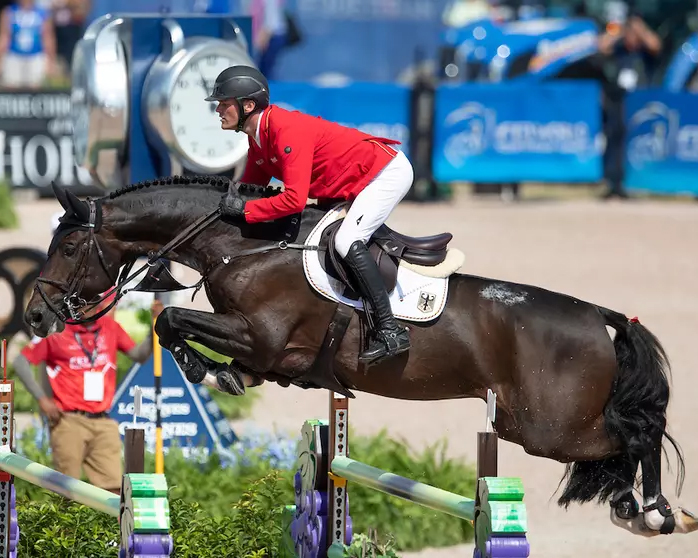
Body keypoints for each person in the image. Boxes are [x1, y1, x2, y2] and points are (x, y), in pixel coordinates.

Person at [206, 65, 413, 366]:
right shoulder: (258, 139)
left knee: (346, 240)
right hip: (347, 182)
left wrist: (246, 210)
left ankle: (391, 330)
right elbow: (249, 191)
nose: (218, 110)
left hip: (384, 174)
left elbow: (293, 200)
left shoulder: (284, 130)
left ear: (247, 105)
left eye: (223, 103)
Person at [13, 294, 164, 494]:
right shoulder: (57, 330)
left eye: (94, 304)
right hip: (68, 420)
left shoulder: (110, 327)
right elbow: (20, 362)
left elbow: (139, 355)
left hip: (103, 421)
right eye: (83, 305)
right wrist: (42, 399)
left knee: (114, 490)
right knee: (66, 491)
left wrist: (155, 327)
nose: (90, 309)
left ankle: (112, 525)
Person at [0, 0, 56, 88]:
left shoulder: (42, 13)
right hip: (14, 55)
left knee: (36, 87)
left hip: (36, 56)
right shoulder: (9, 12)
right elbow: (4, 37)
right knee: (11, 87)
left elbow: (47, 37)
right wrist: (1, 58)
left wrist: (50, 60)